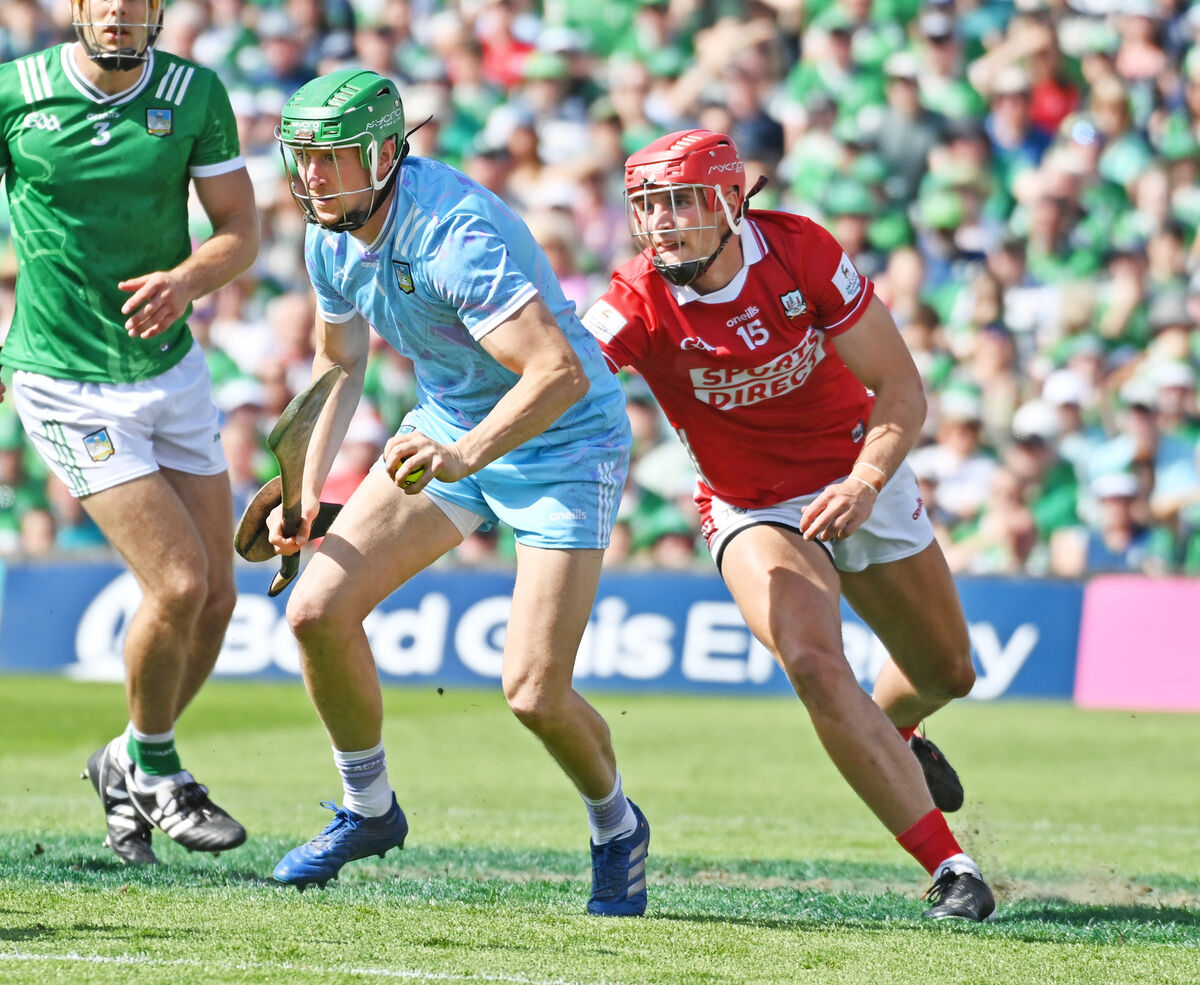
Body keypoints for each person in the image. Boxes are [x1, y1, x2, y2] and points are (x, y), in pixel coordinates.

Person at [582, 129, 996, 921]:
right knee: (812, 659)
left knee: (948, 672)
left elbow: (901, 387)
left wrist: (867, 480)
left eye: (679, 203)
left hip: (857, 472)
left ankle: (897, 735)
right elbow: (560, 375)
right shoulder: (636, 294)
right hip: (749, 502)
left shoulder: (801, 252)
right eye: (647, 208)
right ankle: (951, 866)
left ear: (731, 202)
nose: (661, 224)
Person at [266, 68, 647, 916]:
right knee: (315, 613)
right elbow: (338, 363)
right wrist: (307, 487)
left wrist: (463, 453)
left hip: (560, 440)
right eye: (303, 159)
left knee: (533, 693)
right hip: (452, 427)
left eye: (330, 159)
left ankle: (617, 828)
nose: (311, 178)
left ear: (385, 154)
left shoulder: (455, 234)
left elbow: (554, 373)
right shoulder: (329, 234)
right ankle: (369, 810)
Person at [0, 0, 258, 863]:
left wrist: (187, 279)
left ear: (157, 11)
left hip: (171, 372)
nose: (115, 9)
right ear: (75, 8)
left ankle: (123, 757)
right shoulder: (14, 92)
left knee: (218, 598)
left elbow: (241, 231)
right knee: (179, 583)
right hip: (65, 380)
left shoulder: (195, 93)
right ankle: (156, 770)